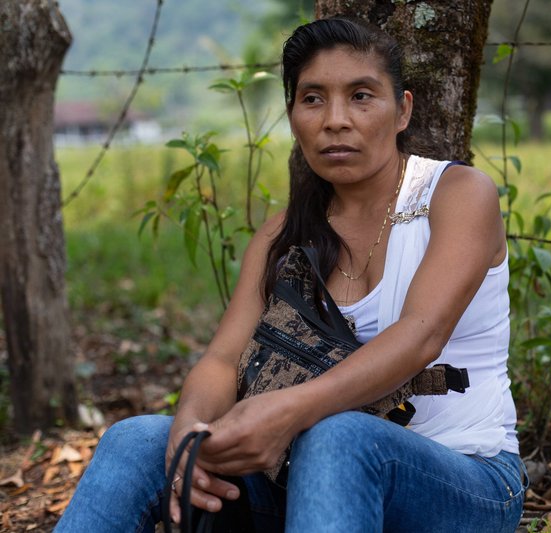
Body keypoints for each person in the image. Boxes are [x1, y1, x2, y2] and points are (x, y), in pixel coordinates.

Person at [55, 16, 526, 533]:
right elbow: (222, 358)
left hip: (465, 481)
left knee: (337, 436)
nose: (336, 120)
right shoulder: (285, 233)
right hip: (302, 478)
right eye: (313, 98)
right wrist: (190, 434)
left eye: (362, 96)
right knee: (136, 440)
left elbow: (421, 336)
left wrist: (285, 413)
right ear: (293, 114)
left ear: (402, 111)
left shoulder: (456, 195)